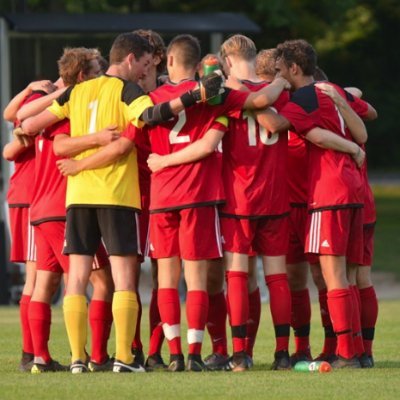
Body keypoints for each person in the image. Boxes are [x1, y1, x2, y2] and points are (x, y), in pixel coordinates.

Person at [21, 31, 224, 374]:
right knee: (124, 279)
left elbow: (30, 124)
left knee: (77, 279)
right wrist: (194, 96)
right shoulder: (127, 90)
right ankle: (124, 359)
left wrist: (84, 143)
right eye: (144, 63)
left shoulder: (77, 90)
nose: (145, 70)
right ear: (131, 59)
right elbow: (153, 115)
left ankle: (76, 359)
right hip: (116, 194)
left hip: (78, 195)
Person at [256, 38, 377, 368]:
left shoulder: (303, 97)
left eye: (281, 72)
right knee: (348, 277)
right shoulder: (330, 90)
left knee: (334, 276)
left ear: (293, 69)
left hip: (328, 192)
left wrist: (247, 97)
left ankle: (348, 355)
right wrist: (352, 143)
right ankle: (358, 352)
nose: (279, 77)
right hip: (352, 192)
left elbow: (279, 125)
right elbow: (363, 129)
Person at [2, 79, 58, 372]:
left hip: (31, 198)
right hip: (31, 197)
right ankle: (32, 353)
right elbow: (13, 119)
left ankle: (33, 352)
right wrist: (29, 90)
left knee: (40, 278)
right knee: (37, 278)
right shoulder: (45, 97)